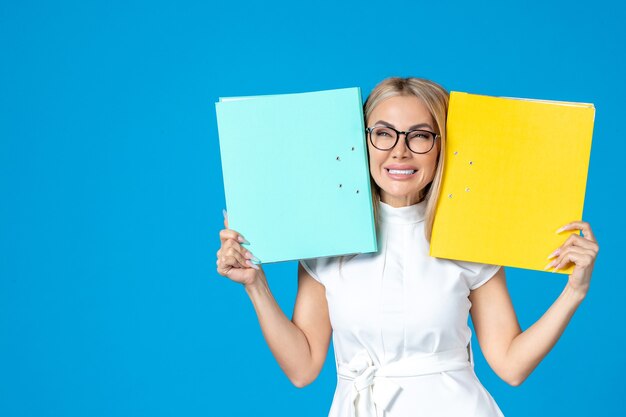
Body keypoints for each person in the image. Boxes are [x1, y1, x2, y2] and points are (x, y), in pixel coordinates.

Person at [216, 77, 599, 417]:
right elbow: (303, 369)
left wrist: (574, 290)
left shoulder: (469, 236)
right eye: (383, 133)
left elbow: (511, 366)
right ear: (361, 143)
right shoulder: (327, 239)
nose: (399, 151)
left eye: (419, 135)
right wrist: (256, 285)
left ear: (441, 147)